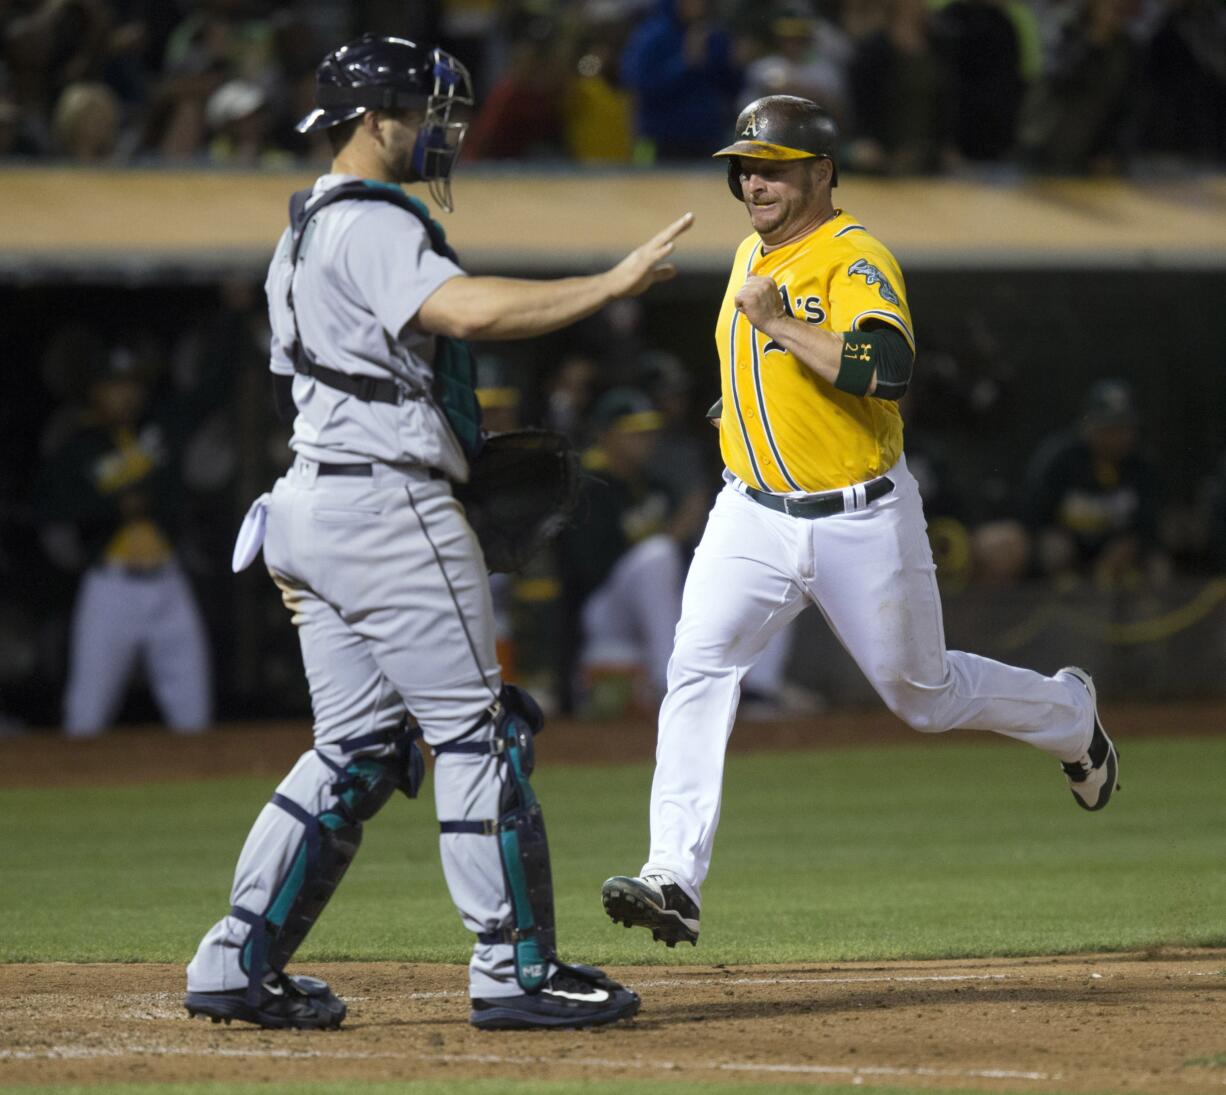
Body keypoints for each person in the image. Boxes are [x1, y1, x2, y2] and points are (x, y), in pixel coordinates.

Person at [183, 33, 691, 1032]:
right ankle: (515, 968)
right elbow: (462, 310)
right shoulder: (372, 222)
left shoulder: (302, 228)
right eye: (423, 114)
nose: (437, 132)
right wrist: (610, 282)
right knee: (477, 732)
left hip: (308, 509)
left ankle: (235, 956)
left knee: (357, 746)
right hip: (384, 509)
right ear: (375, 121)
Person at [600, 94, 1119, 949]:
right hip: (751, 516)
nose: (756, 180)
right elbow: (761, 371)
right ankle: (673, 876)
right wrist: (740, 409)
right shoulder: (747, 254)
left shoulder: (854, 254)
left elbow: (888, 363)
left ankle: (1068, 712)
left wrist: (777, 323)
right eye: (747, 165)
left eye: (775, 165)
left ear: (822, 172)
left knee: (925, 695)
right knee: (698, 668)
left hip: (858, 518)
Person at [36, 335, 213, 738]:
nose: (125, 395)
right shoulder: (79, 446)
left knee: (194, 712)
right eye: (115, 385)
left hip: (168, 582)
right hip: (110, 587)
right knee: (85, 714)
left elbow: (209, 397)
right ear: (95, 391)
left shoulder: (159, 430)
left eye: (131, 384)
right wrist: (113, 508)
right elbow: (46, 506)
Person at [1021, 378, 1164, 587]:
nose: (1116, 437)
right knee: (1054, 548)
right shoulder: (1059, 458)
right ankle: (1055, 609)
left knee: (1158, 565)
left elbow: (1150, 526)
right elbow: (1033, 517)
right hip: (1071, 549)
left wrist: (1133, 545)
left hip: (1116, 554)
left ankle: (1154, 617)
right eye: (1108, 428)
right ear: (1087, 425)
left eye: (1123, 428)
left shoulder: (1142, 466)